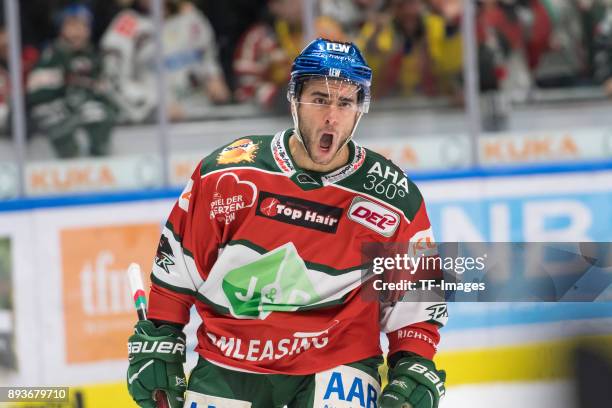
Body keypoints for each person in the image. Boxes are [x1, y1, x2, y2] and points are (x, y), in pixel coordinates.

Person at [127, 38, 447, 408]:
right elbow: (178, 268)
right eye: (320, 99)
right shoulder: (228, 173)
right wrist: (161, 336)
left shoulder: (393, 195)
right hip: (229, 363)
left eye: (345, 102)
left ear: (360, 108)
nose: (332, 116)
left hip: (339, 365)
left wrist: (413, 362)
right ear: (294, 99)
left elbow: (417, 298)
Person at [101, 0, 230, 122]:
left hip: (199, 113)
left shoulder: (191, 17)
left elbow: (207, 56)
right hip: (153, 125)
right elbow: (114, 82)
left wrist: (213, 77)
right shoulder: (126, 26)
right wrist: (154, 107)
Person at [26, 4, 116, 158]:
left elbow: (104, 88)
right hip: (56, 107)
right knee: (57, 125)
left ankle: (99, 161)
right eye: (72, 25)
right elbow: (36, 93)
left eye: (82, 26)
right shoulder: (51, 54)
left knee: (99, 115)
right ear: (62, 28)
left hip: (82, 105)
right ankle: (70, 169)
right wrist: (63, 83)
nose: (77, 31)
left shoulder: (94, 56)